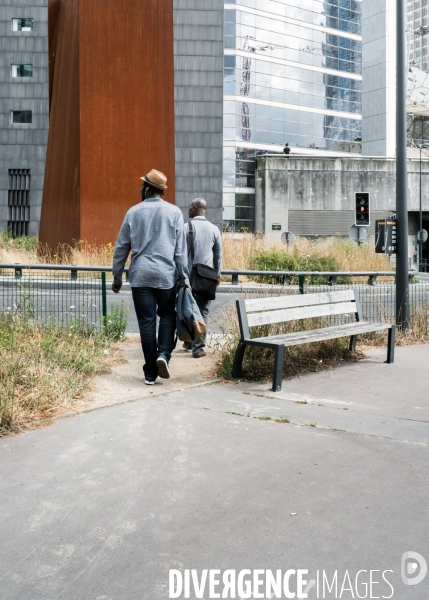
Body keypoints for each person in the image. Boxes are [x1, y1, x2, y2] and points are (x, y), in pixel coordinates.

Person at [112, 169, 189, 385]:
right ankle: (163, 355)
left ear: (146, 188)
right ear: (162, 191)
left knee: (146, 323)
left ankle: (149, 372)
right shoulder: (174, 213)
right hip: (166, 275)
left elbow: (121, 248)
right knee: (167, 314)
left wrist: (117, 277)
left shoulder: (133, 212)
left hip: (140, 275)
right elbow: (180, 252)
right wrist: (185, 279)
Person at [184, 198, 222, 358]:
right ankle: (198, 348)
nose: (188, 209)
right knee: (203, 311)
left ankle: (188, 340)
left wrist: (181, 277)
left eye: (189, 207)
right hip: (207, 277)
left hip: (188, 277)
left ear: (194, 208)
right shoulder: (214, 229)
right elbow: (218, 256)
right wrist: (217, 276)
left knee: (186, 309)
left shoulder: (186, 228)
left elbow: (179, 254)